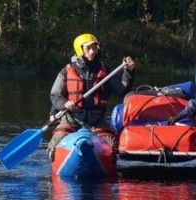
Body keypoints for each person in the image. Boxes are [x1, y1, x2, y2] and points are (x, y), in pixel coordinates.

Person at [47, 33, 136, 162]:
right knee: (58, 137)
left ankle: (108, 161)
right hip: (72, 118)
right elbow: (55, 95)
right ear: (80, 49)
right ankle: (54, 155)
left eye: (94, 48)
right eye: (88, 48)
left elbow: (121, 89)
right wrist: (64, 103)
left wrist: (129, 72)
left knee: (111, 143)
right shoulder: (67, 70)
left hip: (96, 119)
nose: (92, 51)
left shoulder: (105, 70)